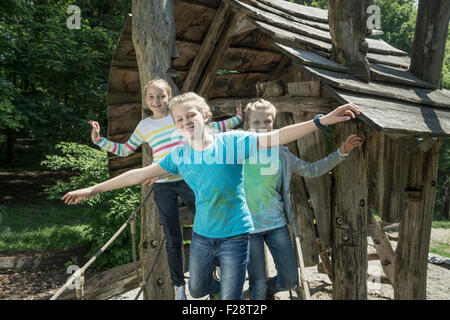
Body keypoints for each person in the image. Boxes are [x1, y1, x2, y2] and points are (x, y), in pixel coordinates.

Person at [62, 92, 360, 300]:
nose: (185, 122)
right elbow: (138, 174)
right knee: (196, 290)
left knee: (231, 297)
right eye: (178, 119)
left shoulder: (233, 142)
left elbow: (277, 137)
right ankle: (218, 281)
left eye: (190, 115)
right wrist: (93, 189)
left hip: (236, 235)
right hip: (204, 235)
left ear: (205, 115)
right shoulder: (179, 154)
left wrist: (323, 120)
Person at [88, 79, 244, 300]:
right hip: (162, 184)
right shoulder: (145, 126)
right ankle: (179, 286)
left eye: (161, 96)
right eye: (151, 97)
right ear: (145, 100)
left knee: (210, 223)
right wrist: (100, 141)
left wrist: (238, 119)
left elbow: (214, 128)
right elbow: (124, 150)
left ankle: (217, 266)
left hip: (190, 178)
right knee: (172, 238)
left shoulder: (179, 118)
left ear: (169, 96)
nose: (156, 101)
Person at [243, 99, 362, 300]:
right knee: (257, 284)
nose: (263, 127)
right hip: (246, 228)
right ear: (246, 124)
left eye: (267, 122)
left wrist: (341, 153)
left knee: (290, 280)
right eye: (256, 122)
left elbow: (311, 170)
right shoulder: (237, 152)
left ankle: (266, 290)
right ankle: (258, 291)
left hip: (276, 225)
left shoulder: (282, 154)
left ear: (274, 123)